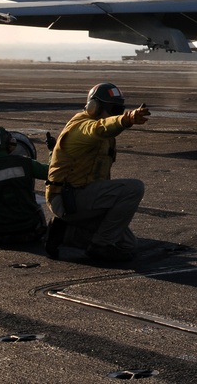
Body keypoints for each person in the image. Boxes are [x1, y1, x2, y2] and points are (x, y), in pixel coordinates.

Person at [45, 82, 150, 262]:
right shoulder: (82, 126)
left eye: (119, 110)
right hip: (68, 198)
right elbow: (98, 128)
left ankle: (66, 232)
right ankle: (99, 246)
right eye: (113, 109)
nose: (116, 113)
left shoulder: (106, 138)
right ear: (94, 107)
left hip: (84, 196)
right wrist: (126, 119)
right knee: (133, 188)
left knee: (128, 245)